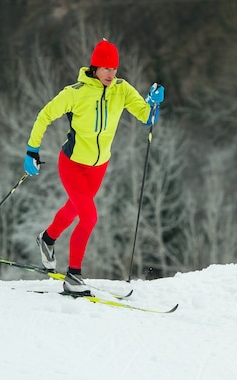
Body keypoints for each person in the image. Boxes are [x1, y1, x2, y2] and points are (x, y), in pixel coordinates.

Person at [23, 38, 164, 296]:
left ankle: (47, 239)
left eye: (114, 69)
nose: (111, 74)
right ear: (95, 67)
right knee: (89, 216)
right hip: (73, 164)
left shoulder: (122, 90)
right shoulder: (75, 93)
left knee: (75, 209)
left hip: (99, 167)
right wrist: (32, 150)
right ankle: (73, 276)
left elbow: (147, 117)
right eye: (106, 68)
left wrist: (153, 102)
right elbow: (44, 115)